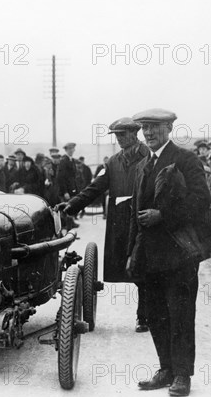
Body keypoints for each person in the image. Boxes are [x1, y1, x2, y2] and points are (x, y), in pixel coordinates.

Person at [127, 108, 210, 397]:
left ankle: (182, 375)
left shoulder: (186, 159)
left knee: (181, 314)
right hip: (150, 256)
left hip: (179, 254)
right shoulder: (142, 165)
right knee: (156, 314)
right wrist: (130, 253)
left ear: (170, 127)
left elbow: (201, 200)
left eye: (155, 127)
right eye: (144, 128)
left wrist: (163, 215)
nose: (148, 133)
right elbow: (134, 215)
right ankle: (165, 369)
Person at [58, 118, 150, 332]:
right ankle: (145, 314)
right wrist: (72, 205)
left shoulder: (149, 157)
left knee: (144, 268)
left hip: (143, 220)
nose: (119, 139)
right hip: (120, 223)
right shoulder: (113, 162)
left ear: (134, 134)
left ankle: (144, 316)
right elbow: (95, 187)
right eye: (116, 136)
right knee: (127, 266)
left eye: (123, 135)